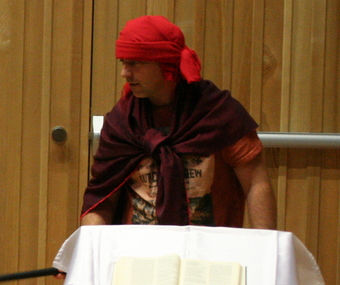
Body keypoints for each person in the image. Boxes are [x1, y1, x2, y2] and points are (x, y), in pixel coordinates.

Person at [81, 15, 277, 230]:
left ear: (165, 64)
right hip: (137, 246)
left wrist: (265, 245)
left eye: (135, 63)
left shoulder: (218, 113)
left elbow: (256, 183)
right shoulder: (122, 122)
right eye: (123, 62)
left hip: (211, 245)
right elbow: (102, 199)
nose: (124, 73)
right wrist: (91, 245)